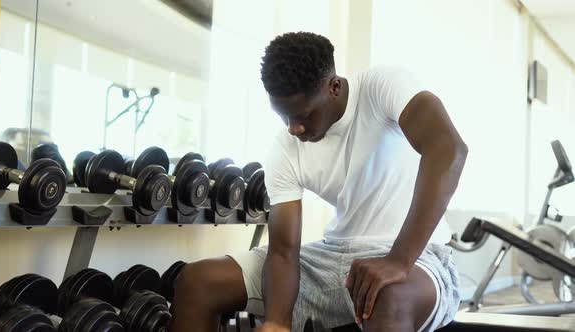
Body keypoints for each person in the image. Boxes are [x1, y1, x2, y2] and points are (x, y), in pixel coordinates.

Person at [169, 31, 467, 332]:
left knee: (386, 296)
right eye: (284, 116)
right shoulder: (285, 146)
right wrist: (277, 322)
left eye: (304, 115)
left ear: (333, 87)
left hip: (417, 258)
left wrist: (398, 260)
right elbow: (284, 250)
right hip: (330, 258)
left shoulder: (381, 86)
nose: (294, 128)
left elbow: (449, 148)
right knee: (198, 281)